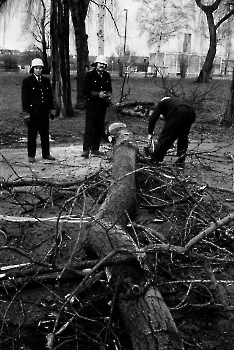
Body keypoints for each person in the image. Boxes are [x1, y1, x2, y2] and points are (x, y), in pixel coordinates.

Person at [21, 58, 56, 163]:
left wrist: (52, 109)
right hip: (33, 112)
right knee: (32, 134)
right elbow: (25, 98)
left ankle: (46, 153)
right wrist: (26, 113)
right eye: (36, 68)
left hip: (44, 112)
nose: (38, 70)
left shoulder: (46, 81)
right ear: (32, 69)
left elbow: (49, 96)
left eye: (40, 68)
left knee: (45, 134)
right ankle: (31, 155)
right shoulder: (27, 81)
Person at [147, 96, 196, 167]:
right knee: (183, 136)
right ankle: (181, 160)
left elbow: (153, 118)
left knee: (165, 137)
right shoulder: (174, 102)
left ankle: (155, 160)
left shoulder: (162, 102)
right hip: (191, 113)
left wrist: (150, 133)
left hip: (179, 112)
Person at [82, 55, 112, 158]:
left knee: (99, 128)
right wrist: (98, 94)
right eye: (100, 64)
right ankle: (86, 149)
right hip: (91, 106)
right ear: (96, 64)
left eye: (104, 64)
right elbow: (85, 91)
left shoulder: (107, 76)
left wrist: (108, 96)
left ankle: (95, 148)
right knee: (89, 128)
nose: (102, 66)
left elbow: (109, 89)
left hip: (102, 106)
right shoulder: (89, 75)